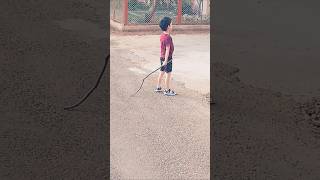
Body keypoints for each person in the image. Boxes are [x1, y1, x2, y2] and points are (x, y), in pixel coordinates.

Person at [154, 17, 176, 96]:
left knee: (161, 72)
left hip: (162, 58)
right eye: (171, 24)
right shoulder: (168, 38)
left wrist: (163, 61)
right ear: (168, 27)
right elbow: (167, 50)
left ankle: (158, 87)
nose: (172, 26)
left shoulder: (162, 35)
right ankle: (167, 90)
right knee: (168, 74)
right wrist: (166, 61)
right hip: (167, 59)